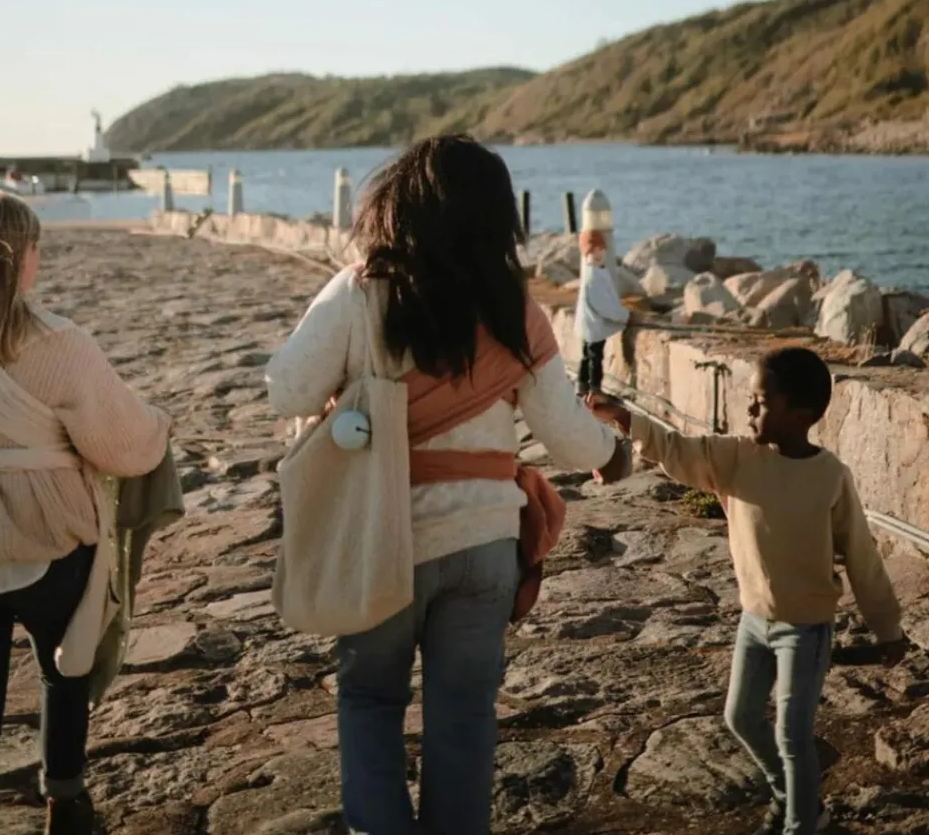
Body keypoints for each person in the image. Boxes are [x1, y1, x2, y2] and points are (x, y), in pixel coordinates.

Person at [266, 135, 629, 835]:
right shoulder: (513, 308)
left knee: (370, 700)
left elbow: (287, 390)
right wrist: (615, 456)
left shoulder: (359, 292)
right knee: (464, 720)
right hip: (485, 544)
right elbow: (565, 434)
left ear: (395, 206)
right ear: (496, 218)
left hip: (381, 538)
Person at [0, 192, 170, 835]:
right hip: (50, 542)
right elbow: (121, 444)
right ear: (21, 257)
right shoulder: (59, 343)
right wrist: (160, 426)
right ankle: (65, 802)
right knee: (66, 670)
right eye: (37, 248)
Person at [592, 348, 907, 835]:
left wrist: (888, 629)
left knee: (792, 735)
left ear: (800, 413)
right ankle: (793, 798)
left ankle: (803, 824)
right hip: (753, 622)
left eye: (761, 402)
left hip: (806, 629)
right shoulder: (736, 458)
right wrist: (625, 419)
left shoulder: (830, 477)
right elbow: (676, 448)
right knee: (740, 718)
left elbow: (863, 559)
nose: (749, 409)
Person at [574, 228, 628, 400]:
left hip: (589, 323)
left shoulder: (594, 272)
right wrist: (622, 315)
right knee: (595, 357)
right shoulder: (593, 276)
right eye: (592, 251)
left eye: (600, 249)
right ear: (585, 254)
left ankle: (582, 385)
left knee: (586, 355)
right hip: (594, 324)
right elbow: (603, 305)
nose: (598, 254)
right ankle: (594, 389)